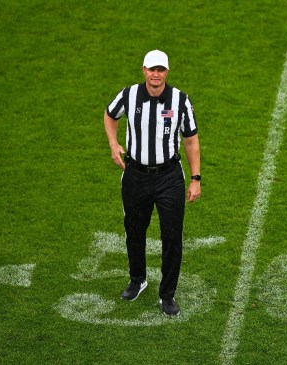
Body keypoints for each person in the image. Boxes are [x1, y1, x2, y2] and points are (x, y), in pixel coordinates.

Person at [103, 50, 201, 316]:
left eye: (161, 69)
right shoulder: (129, 94)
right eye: (151, 69)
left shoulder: (181, 100)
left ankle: (167, 294)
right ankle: (138, 280)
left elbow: (191, 140)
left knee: (172, 236)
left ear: (166, 72)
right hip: (135, 175)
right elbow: (110, 115)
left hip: (169, 176)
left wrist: (195, 178)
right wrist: (113, 144)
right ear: (144, 70)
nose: (156, 74)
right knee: (134, 229)